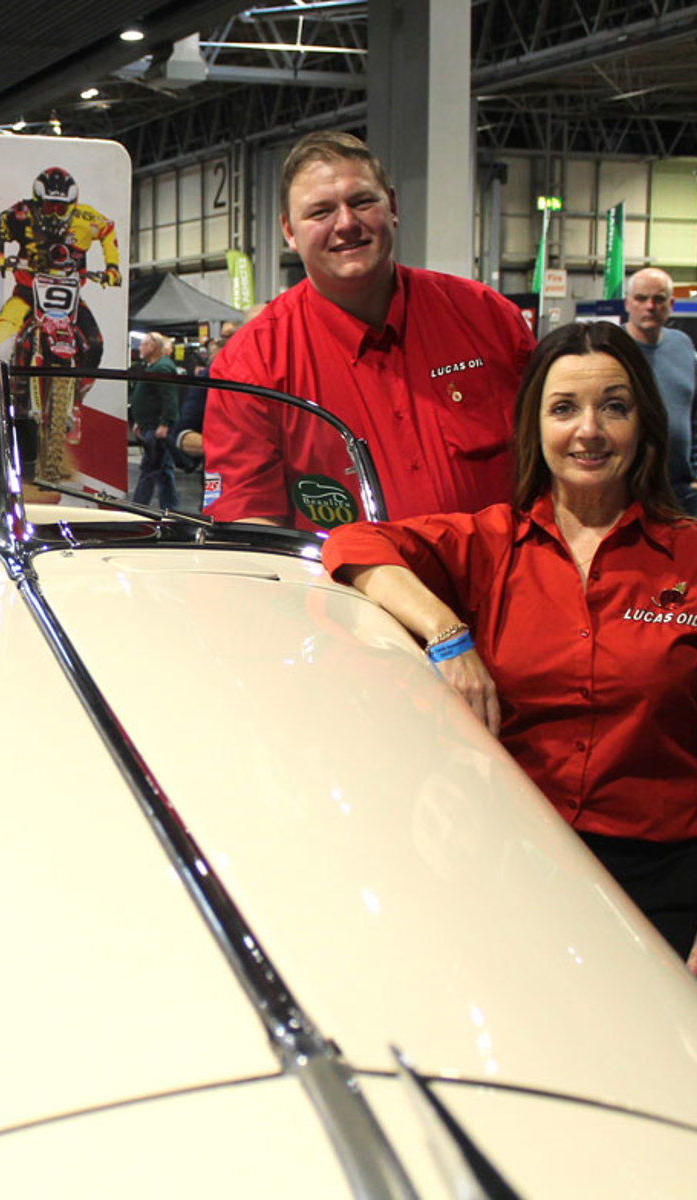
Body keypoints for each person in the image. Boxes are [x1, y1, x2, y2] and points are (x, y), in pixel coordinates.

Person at [323, 321, 697, 966]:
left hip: (665, 882)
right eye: (564, 409)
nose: (589, 430)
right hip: (512, 867)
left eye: (614, 406)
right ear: (535, 427)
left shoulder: (688, 554)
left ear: (646, 423)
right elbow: (353, 544)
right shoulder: (491, 544)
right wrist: (448, 637)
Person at [204, 130, 535, 530]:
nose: (346, 223)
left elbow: (555, 464)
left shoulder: (489, 319)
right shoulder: (251, 364)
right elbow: (250, 522)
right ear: (289, 231)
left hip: (501, 587)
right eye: (320, 212)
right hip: (343, 593)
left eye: (361, 202)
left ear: (392, 206)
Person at [0, 166, 120, 376]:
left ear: (72, 205)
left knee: (94, 344)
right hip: (27, 294)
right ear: (38, 202)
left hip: (69, 299)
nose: (56, 213)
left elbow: (108, 229)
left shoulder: (85, 218)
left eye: (61, 208)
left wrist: (112, 267)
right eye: (49, 207)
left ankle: (77, 396)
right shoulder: (22, 213)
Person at [624, 266, 697, 516]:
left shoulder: (683, 345)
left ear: (672, 304)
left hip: (679, 488)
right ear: (627, 303)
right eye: (641, 299)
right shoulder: (612, 349)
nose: (650, 306)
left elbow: (693, 415)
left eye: (658, 299)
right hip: (626, 491)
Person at [129, 331, 182, 508]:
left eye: (143, 344)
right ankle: (170, 509)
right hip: (150, 426)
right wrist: (140, 422)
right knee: (162, 470)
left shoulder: (162, 368)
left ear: (153, 347)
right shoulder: (156, 366)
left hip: (156, 429)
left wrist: (165, 424)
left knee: (150, 470)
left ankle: (137, 508)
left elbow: (170, 399)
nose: (140, 348)